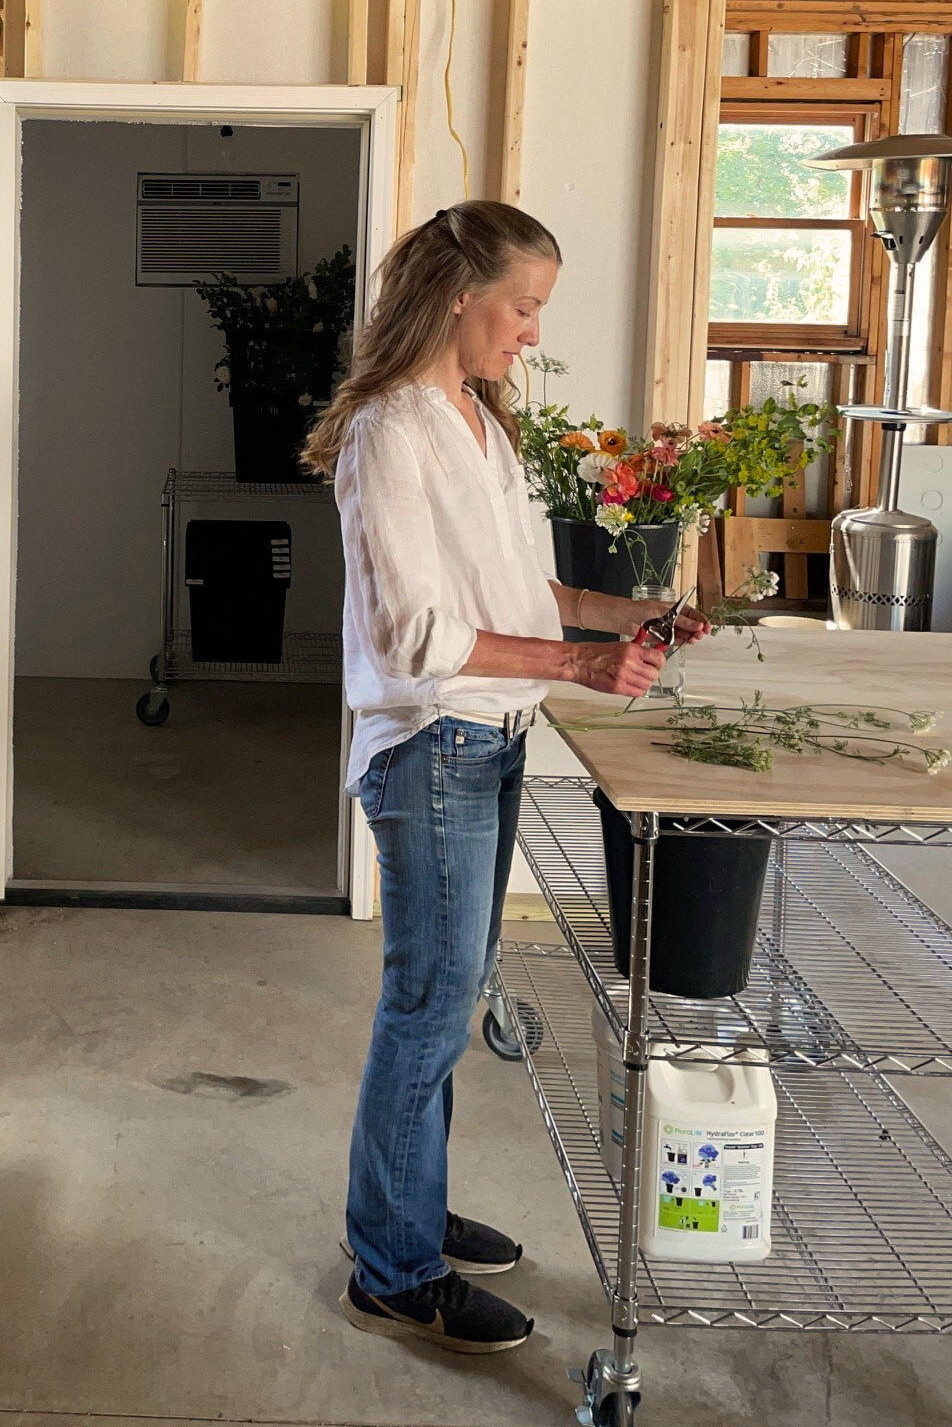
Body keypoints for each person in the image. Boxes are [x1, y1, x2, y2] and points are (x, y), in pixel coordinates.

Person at [302, 199, 709, 1356]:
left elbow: (528, 600)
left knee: (448, 997)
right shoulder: (392, 431)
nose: (531, 333)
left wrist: (637, 612)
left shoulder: (483, 425)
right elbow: (411, 636)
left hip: (489, 742)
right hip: (432, 746)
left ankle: (406, 1213)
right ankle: (390, 1267)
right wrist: (583, 664)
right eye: (522, 309)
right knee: (428, 1008)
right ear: (458, 297)